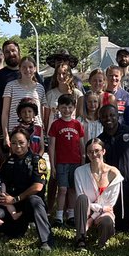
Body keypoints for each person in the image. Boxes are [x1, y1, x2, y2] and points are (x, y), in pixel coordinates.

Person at [0, 128, 54, 251]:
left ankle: (46, 241)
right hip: (13, 207)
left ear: (28, 142)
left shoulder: (37, 160)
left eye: (21, 142)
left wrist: (15, 199)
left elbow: (38, 186)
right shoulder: (8, 162)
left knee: (34, 200)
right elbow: (2, 182)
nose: (17, 146)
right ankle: (13, 230)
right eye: (14, 143)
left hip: (29, 205)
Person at [97, 104, 129, 232]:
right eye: (104, 116)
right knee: (121, 226)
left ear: (117, 116)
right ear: (100, 119)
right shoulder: (100, 141)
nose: (108, 118)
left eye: (112, 115)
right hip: (114, 187)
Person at [73, 138, 123, 252]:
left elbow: (110, 204)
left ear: (103, 151)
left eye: (97, 150)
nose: (94, 154)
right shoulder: (79, 172)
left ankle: (101, 243)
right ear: (86, 154)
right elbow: (80, 197)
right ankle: (80, 239)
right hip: (86, 210)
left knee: (107, 222)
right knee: (82, 199)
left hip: (105, 213)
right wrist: (99, 208)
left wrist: (90, 221)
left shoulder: (114, 173)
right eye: (90, 151)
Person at [47, 94, 85, 224]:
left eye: (69, 107)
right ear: (58, 108)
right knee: (62, 189)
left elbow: (81, 144)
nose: (67, 110)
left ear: (74, 107)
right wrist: (52, 165)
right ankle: (58, 215)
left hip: (76, 162)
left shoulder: (77, 124)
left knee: (73, 189)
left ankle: (71, 215)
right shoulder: (55, 125)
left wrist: (83, 161)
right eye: (63, 107)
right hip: (61, 162)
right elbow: (51, 146)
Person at [1, 56, 46, 142]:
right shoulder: (11, 86)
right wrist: (6, 134)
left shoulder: (40, 88)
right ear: (19, 69)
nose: (27, 70)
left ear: (35, 69)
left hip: (35, 131)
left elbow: (41, 112)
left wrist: (42, 131)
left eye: (30, 67)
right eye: (24, 67)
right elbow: (5, 112)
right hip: (15, 131)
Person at [0, 39, 24, 104]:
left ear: (19, 52)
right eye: (7, 52)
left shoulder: (30, 73)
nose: (11, 54)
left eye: (13, 50)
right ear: (3, 55)